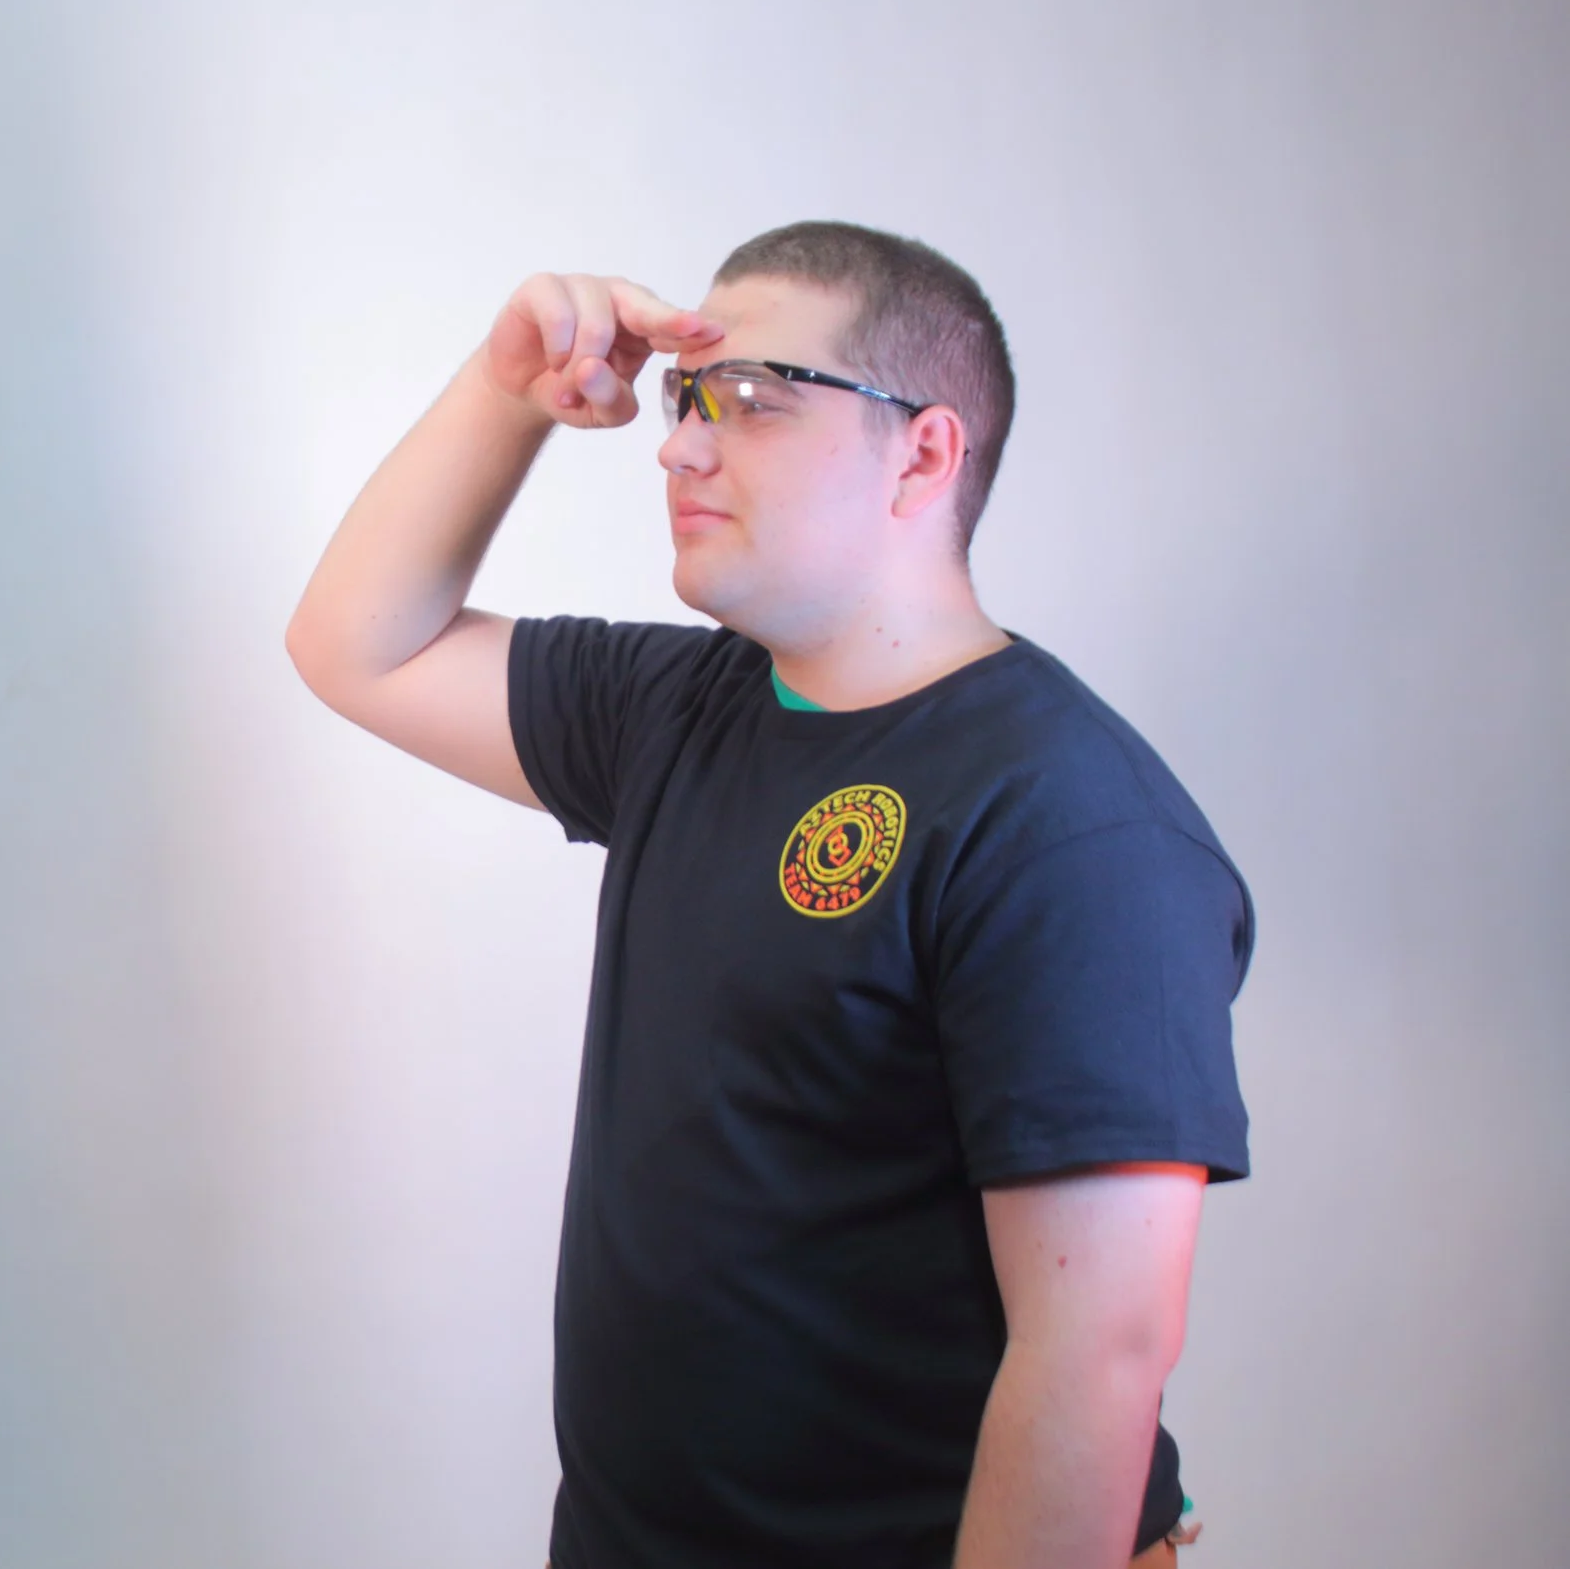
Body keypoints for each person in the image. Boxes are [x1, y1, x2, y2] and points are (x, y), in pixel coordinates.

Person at [284, 222, 1250, 1569]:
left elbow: (1097, 1355)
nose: (680, 446)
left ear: (924, 453)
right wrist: (509, 388)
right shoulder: (679, 710)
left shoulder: (1068, 822)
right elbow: (356, 647)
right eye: (686, 396)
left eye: (750, 397)